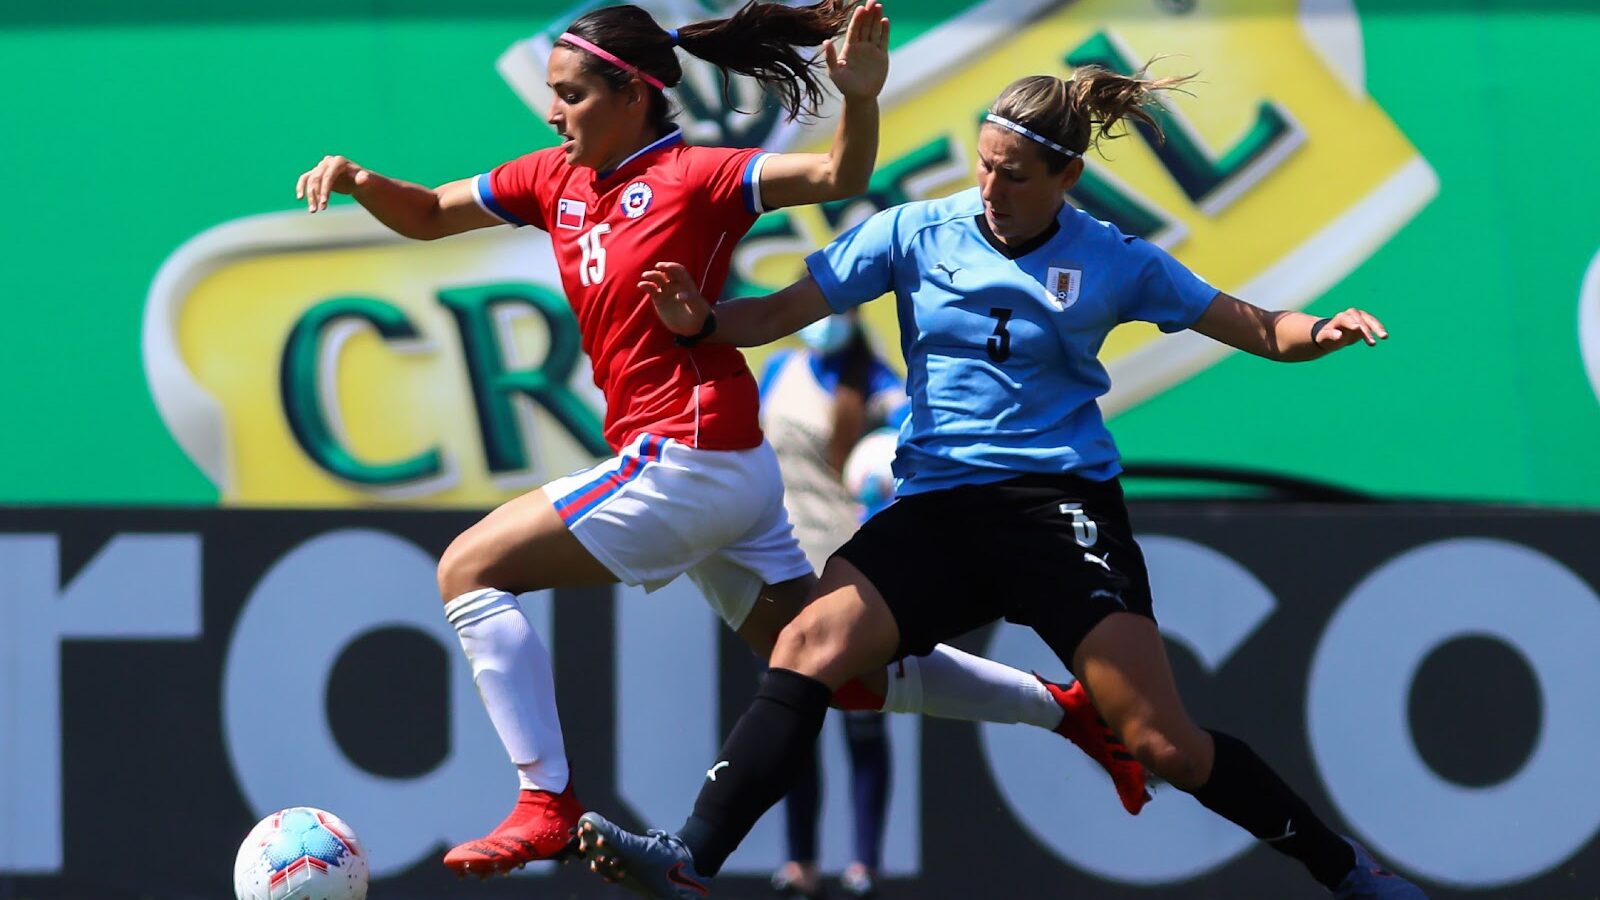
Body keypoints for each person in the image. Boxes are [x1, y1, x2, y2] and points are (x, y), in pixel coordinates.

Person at [293, 1, 1143, 881]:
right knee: (839, 674)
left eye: (572, 94)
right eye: (553, 95)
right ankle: (1068, 710)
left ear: (634, 94)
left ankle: (546, 800)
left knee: (467, 570)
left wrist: (859, 96)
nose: (554, 113)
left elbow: (840, 173)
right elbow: (431, 212)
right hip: (723, 467)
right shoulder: (553, 178)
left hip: (687, 454)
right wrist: (362, 181)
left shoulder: (695, 174)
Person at [574, 65, 1428, 899]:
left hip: (1057, 512)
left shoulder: (1114, 259)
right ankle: (688, 858)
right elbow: (773, 315)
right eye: (983, 164)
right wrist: (704, 322)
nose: (992, 187)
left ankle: (1347, 871)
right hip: (939, 509)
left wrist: (1320, 328)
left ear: (1068, 176)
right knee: (807, 646)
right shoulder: (912, 231)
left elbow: (1256, 327)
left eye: (1015, 175)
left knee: (1166, 747)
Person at [760, 313, 900, 900]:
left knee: (863, 715)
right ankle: (801, 863)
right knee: (791, 719)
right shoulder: (778, 370)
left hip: (847, 566)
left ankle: (864, 862)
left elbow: (916, 421)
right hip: (779, 566)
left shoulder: (874, 379)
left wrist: (894, 474)